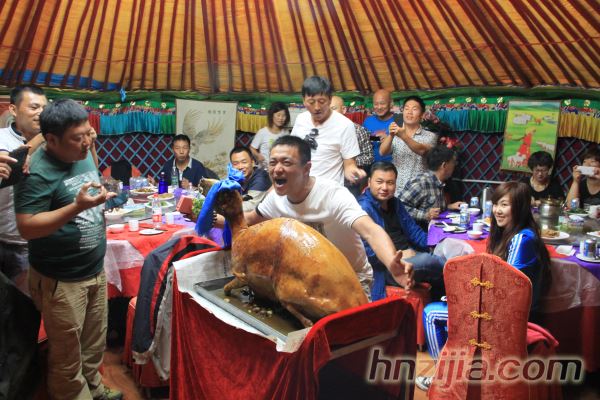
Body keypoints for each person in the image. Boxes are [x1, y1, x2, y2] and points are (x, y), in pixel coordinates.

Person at [14, 99, 122, 399]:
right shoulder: (34, 171)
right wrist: (76, 207)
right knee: (66, 357)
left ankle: (95, 389)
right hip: (61, 279)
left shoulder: (83, 150)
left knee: (94, 343)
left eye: (89, 133)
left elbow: (91, 171)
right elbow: (27, 227)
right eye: (78, 138)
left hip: (94, 268)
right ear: (51, 140)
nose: (86, 142)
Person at [418, 181, 550, 391]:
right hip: (500, 306)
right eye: (496, 204)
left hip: (507, 315)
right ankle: (454, 376)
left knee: (431, 314)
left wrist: (467, 302)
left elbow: (508, 286)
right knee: (446, 304)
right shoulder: (513, 234)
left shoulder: (521, 238)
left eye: (504, 205)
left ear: (520, 207)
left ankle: (443, 381)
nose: (497, 210)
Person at [245, 135, 412, 296]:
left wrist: (391, 261)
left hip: (350, 279)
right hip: (307, 278)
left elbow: (371, 231)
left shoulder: (333, 195)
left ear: (306, 169)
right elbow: (249, 220)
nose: (277, 169)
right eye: (273, 163)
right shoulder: (275, 199)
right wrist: (226, 209)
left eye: (286, 162)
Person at [358, 162, 446, 301]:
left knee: (439, 259)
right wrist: (394, 256)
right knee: (429, 261)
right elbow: (365, 251)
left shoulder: (395, 203)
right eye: (379, 182)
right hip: (387, 267)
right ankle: (458, 271)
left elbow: (413, 231)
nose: (384, 188)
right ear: (369, 182)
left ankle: (446, 301)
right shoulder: (363, 208)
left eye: (390, 183)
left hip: (409, 254)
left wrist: (434, 244)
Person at [0, 85, 48, 293]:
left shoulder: (52, 143)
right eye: (34, 107)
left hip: (36, 243)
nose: (41, 113)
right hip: (4, 238)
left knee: (31, 304)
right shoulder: (2, 137)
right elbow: (13, 162)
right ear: (13, 109)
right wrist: (45, 134)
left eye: (45, 109)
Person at [290, 76, 365, 186]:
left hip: (328, 191)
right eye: (311, 102)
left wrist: (353, 172)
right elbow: (292, 150)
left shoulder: (345, 125)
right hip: (300, 187)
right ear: (304, 101)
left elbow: (349, 164)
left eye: (322, 101)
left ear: (330, 99)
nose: (317, 107)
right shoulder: (301, 119)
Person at [380, 95, 438, 195]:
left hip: (419, 191)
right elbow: (382, 152)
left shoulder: (430, 136)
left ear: (422, 114)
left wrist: (403, 136)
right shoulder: (396, 134)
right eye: (406, 108)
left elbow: (422, 150)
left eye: (414, 109)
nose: (409, 112)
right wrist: (391, 135)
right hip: (397, 190)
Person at [399, 145, 462, 231]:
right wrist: (425, 215)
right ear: (444, 165)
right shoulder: (421, 183)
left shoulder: (439, 182)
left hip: (435, 230)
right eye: (453, 162)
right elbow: (399, 207)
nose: (455, 166)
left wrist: (449, 207)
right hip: (419, 233)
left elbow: (432, 208)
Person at [330, 95, 374, 196]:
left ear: (343, 109)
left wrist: (348, 161)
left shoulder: (358, 130)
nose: (330, 113)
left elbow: (369, 157)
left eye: (333, 108)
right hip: (327, 182)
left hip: (350, 184)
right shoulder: (321, 131)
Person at [229, 146, 271, 212]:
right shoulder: (235, 178)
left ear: (252, 162)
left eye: (244, 162)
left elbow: (251, 206)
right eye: (235, 164)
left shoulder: (261, 178)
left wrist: (226, 209)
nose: (240, 167)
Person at [251, 102, 290, 168]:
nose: (281, 118)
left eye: (284, 116)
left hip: (279, 169)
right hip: (264, 169)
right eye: (278, 115)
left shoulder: (286, 133)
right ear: (272, 115)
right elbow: (252, 148)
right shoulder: (263, 132)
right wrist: (258, 156)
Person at [363, 89, 394, 163]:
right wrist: (377, 138)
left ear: (390, 103)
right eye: (376, 104)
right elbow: (363, 140)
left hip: (394, 165)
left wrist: (388, 138)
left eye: (382, 103)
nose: (379, 107)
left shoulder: (399, 120)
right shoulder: (368, 121)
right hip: (372, 166)